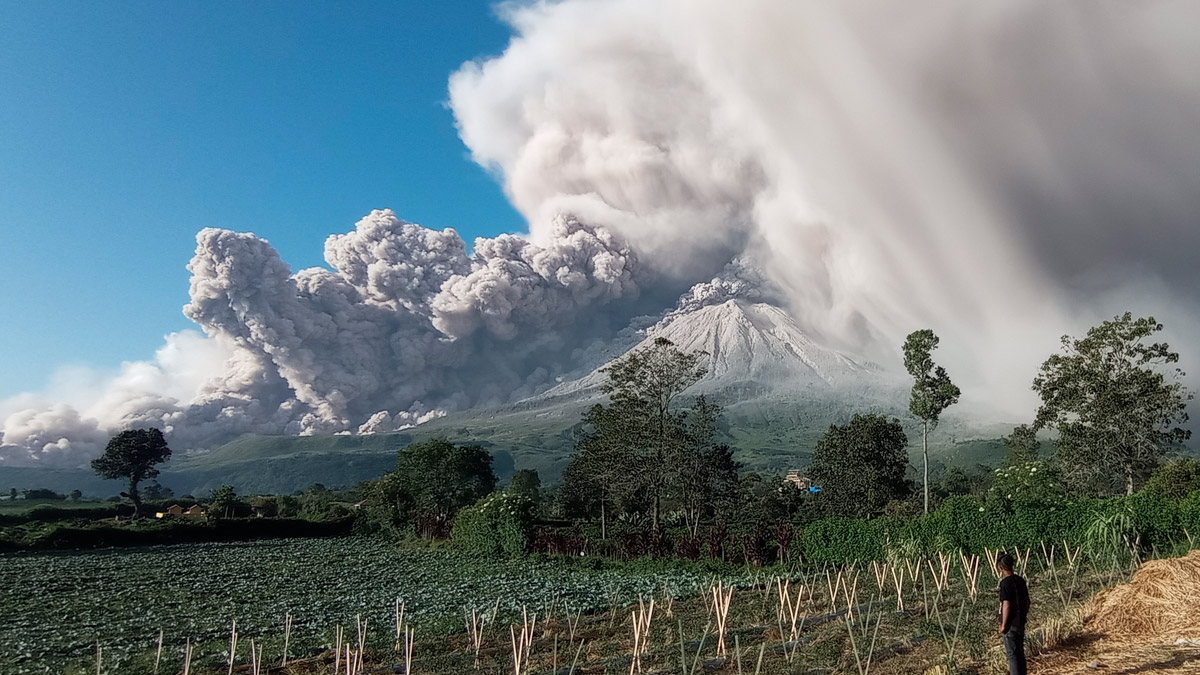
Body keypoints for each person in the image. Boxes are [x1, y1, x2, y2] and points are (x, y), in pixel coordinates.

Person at [996, 551, 1031, 675]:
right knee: (1020, 654)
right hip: (1020, 622)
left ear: (1001, 567)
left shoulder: (1005, 583)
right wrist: (1023, 615)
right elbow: (1027, 601)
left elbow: (1006, 605)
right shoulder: (1020, 581)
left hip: (1011, 624)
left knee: (1012, 656)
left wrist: (1004, 625)